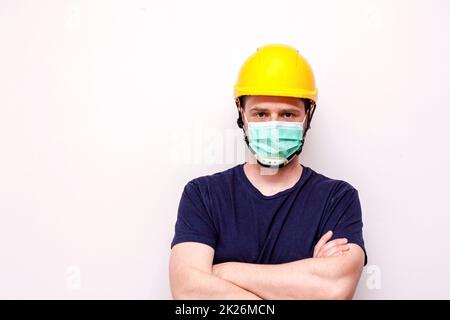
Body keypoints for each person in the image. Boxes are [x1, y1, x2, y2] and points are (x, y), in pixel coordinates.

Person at [169, 44, 367, 300]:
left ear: (308, 115)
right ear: (242, 113)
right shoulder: (203, 194)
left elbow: (333, 290)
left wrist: (222, 272)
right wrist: (301, 286)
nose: (273, 126)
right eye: (261, 113)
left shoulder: (337, 198)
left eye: (287, 114)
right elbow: (189, 292)